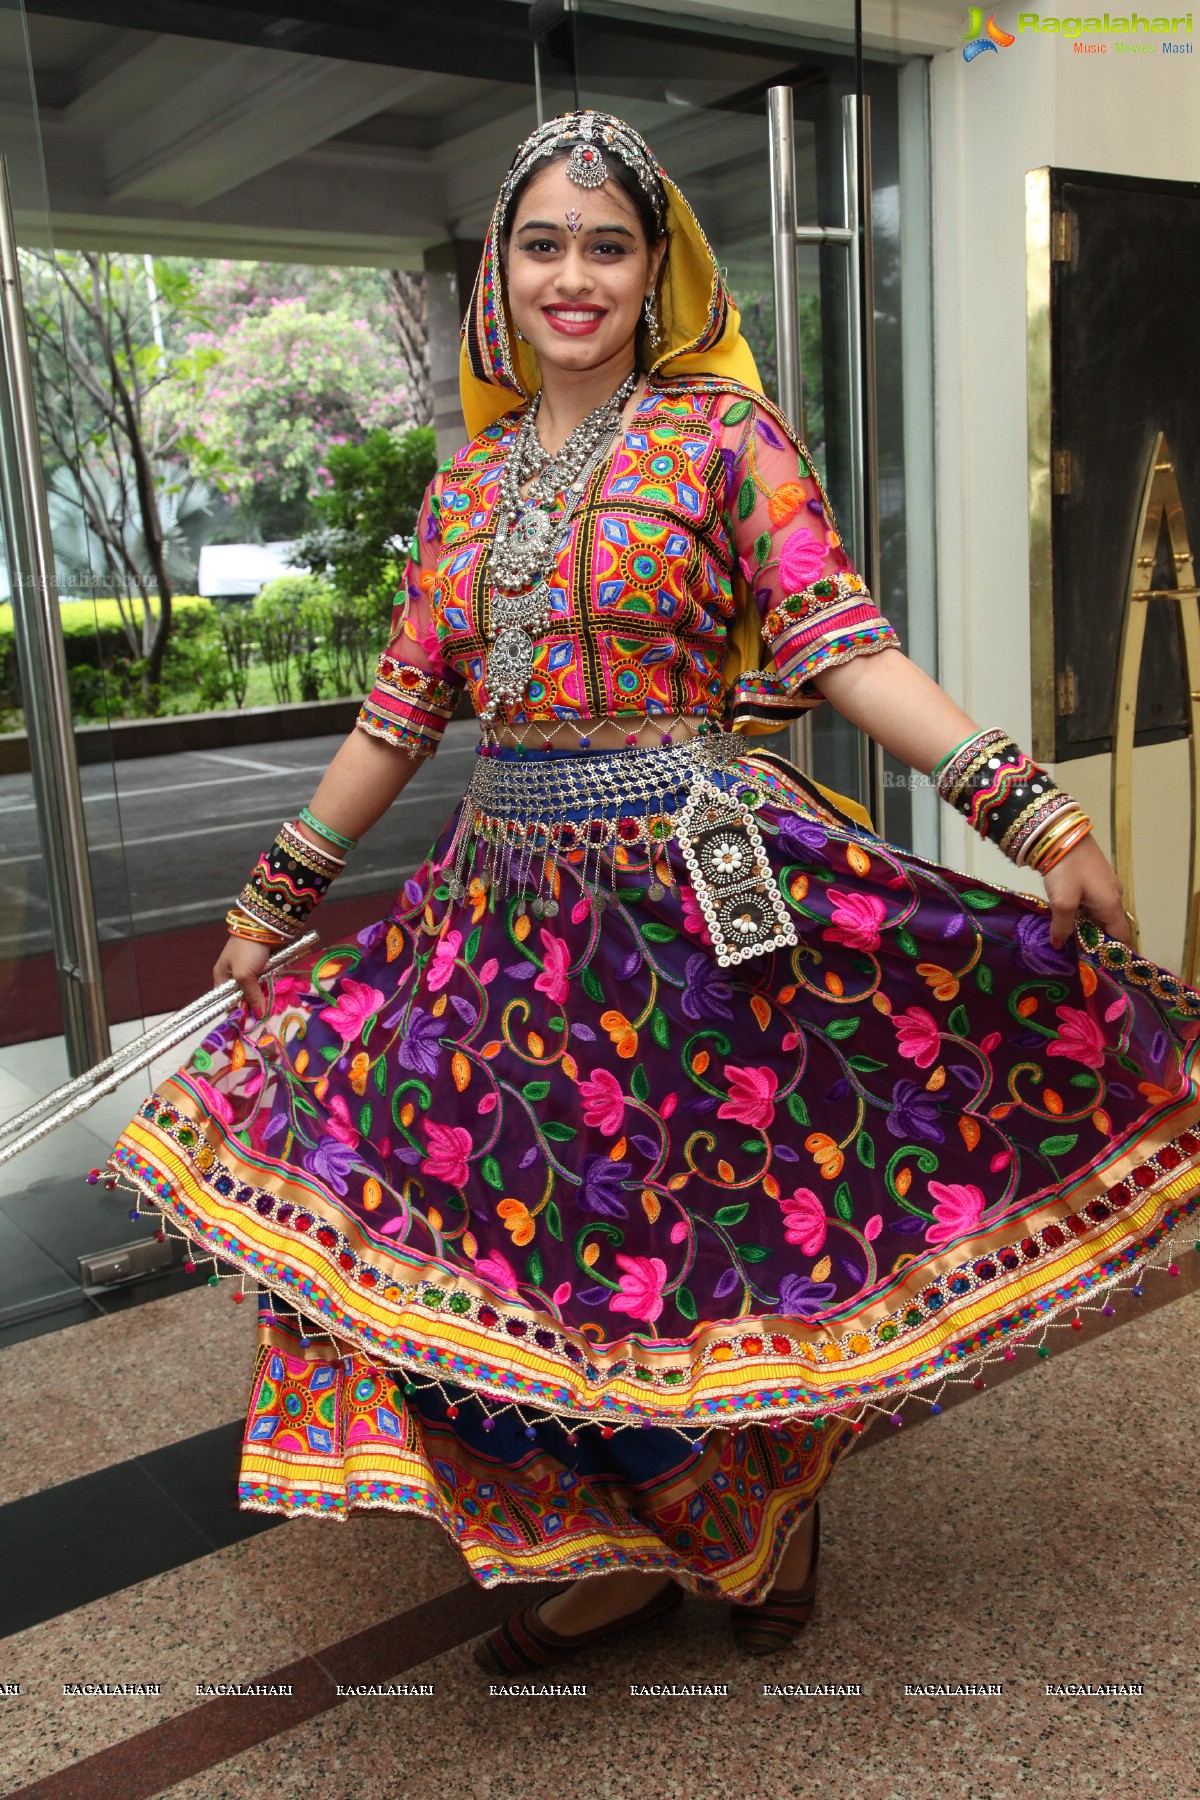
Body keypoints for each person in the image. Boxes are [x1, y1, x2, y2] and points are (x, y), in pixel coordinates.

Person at [109, 112, 1200, 1673]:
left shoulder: (720, 442)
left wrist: (1024, 811)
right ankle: (616, 1551)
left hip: (695, 901)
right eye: (543, 244)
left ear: (654, 268)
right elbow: (398, 714)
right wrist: (278, 893)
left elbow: (846, 647)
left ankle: (766, 1509)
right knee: (497, 1229)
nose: (574, 275)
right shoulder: (468, 479)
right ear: (500, 273)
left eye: (606, 245)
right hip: (499, 913)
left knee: (710, 1238)